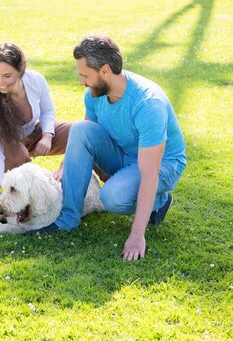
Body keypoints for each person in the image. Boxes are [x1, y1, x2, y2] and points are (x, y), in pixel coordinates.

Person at [32, 35, 187, 261]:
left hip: (161, 164)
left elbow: (150, 174)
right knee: (80, 128)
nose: (81, 82)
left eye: (85, 76)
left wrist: (136, 235)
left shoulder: (147, 104)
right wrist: (65, 166)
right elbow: (86, 133)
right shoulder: (95, 94)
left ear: (105, 71)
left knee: (112, 198)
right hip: (124, 154)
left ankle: (159, 202)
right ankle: (67, 219)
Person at [0, 42, 72, 219]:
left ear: (20, 72)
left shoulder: (35, 80)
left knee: (78, 132)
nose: (0, 82)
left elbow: (48, 111)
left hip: (32, 132)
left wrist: (47, 136)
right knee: (19, 159)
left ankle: (77, 181)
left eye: (7, 75)